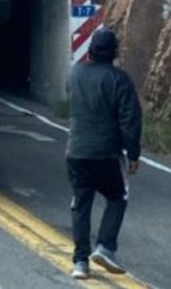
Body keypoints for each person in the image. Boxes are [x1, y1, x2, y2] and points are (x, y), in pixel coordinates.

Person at [66, 28, 142, 280]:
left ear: (90, 51)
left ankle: (80, 262)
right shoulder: (119, 79)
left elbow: (71, 98)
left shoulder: (75, 73)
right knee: (117, 196)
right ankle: (105, 247)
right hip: (106, 153)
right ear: (114, 53)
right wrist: (133, 154)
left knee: (81, 203)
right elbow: (130, 119)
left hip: (76, 151)